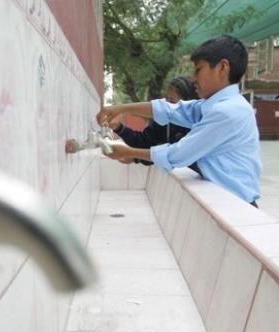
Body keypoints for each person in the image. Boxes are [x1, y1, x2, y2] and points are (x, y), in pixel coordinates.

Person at [96, 35, 261, 206]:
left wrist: (128, 152)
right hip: (225, 201)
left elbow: (179, 154)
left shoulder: (228, 112)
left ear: (222, 67)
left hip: (237, 206)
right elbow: (171, 109)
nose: (194, 78)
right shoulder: (212, 105)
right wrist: (121, 108)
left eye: (198, 70)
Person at [108, 75, 198, 166]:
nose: (167, 105)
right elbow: (143, 143)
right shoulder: (164, 122)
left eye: (172, 101)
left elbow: (172, 155)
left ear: (187, 103)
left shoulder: (196, 126)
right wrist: (118, 127)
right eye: (166, 99)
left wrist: (134, 155)